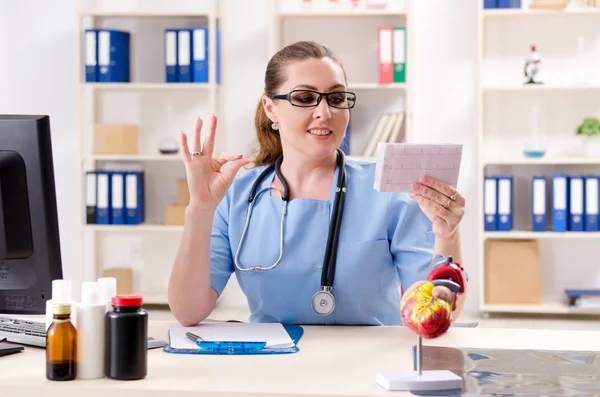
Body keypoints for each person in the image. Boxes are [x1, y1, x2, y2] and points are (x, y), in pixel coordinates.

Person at [168, 41, 467, 328]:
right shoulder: (236, 195)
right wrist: (200, 208)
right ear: (271, 108)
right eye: (305, 98)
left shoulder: (388, 191)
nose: (325, 112)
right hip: (271, 366)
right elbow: (188, 311)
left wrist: (447, 233)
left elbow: (437, 316)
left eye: (336, 99)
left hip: (370, 367)